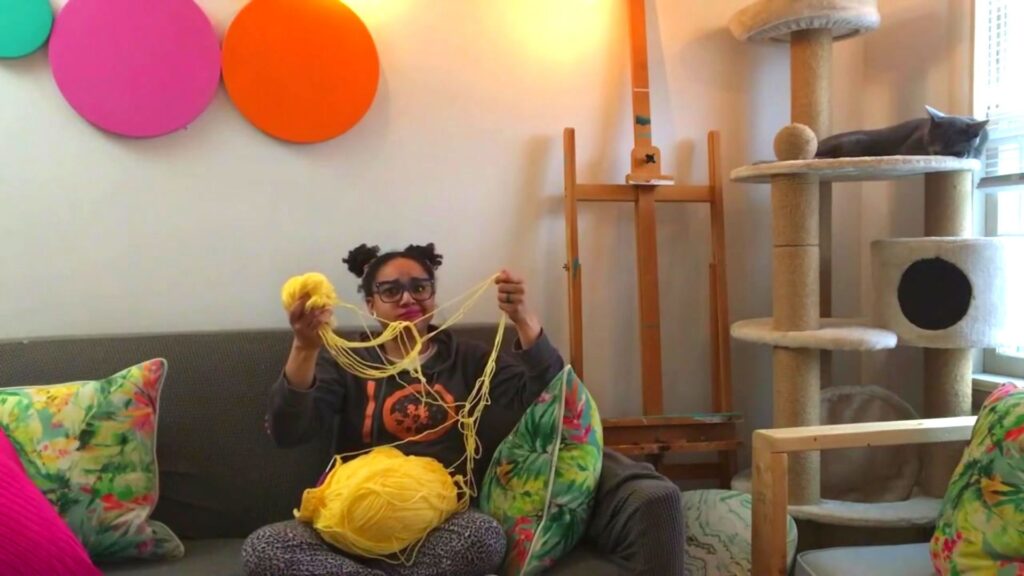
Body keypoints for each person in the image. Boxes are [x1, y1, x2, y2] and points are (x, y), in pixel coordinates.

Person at [242, 243, 566, 576]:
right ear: (370, 304)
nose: (408, 299)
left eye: (419, 287)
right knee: (265, 546)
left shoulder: (468, 358)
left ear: (434, 295)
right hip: (348, 526)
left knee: (485, 537)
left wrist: (523, 319)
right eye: (391, 291)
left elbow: (554, 399)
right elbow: (288, 432)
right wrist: (304, 347)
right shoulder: (346, 360)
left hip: (435, 528)